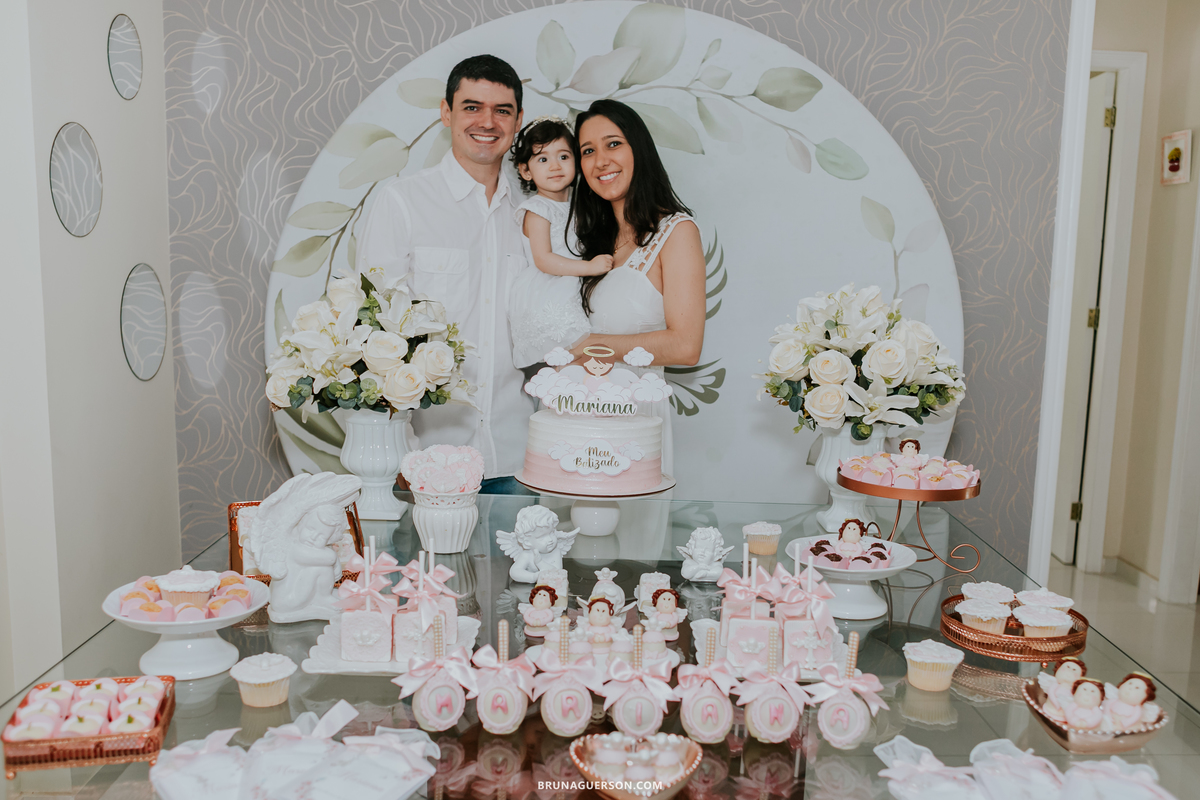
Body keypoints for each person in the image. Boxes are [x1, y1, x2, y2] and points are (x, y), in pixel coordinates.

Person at [357, 54, 530, 492]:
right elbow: (374, 334)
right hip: (425, 458)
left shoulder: (534, 216)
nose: (487, 121)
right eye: (472, 106)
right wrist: (400, 451)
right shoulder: (402, 202)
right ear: (446, 112)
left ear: (518, 120)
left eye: (501, 110)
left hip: (519, 455)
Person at [568, 99, 708, 478]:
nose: (601, 161)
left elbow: (685, 346)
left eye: (613, 144)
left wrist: (589, 344)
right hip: (575, 418)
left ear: (639, 149)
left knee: (628, 533)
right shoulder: (588, 243)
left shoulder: (676, 232)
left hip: (633, 419)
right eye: (587, 151)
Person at [508, 117, 613, 368]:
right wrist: (589, 267)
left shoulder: (578, 206)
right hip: (550, 290)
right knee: (567, 363)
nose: (555, 166)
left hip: (570, 283)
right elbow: (543, 259)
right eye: (543, 159)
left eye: (563, 157)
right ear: (526, 170)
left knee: (587, 363)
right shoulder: (537, 209)